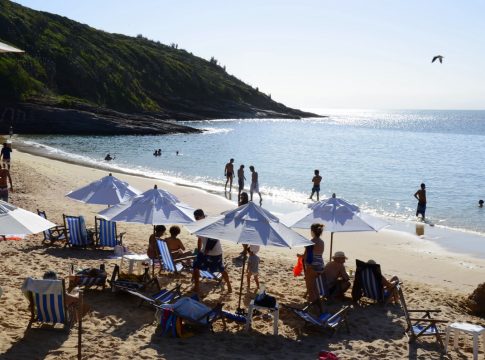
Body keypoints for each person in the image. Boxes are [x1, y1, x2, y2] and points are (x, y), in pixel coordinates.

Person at [192, 209, 232, 293]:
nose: (196, 219)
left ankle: (228, 284)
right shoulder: (198, 225)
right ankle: (196, 286)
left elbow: (215, 238)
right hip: (204, 251)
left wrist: (206, 250)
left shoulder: (211, 223)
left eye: (197, 218)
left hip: (215, 252)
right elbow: (199, 239)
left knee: (221, 269)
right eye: (195, 218)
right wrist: (199, 251)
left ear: (202, 216)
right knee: (195, 266)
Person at [301, 223, 325, 303]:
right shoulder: (322, 242)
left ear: (312, 231)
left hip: (312, 266)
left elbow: (307, 256)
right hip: (320, 265)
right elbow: (317, 254)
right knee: (315, 286)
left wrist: (301, 256)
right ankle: (317, 302)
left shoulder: (311, 242)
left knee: (310, 286)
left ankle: (312, 303)